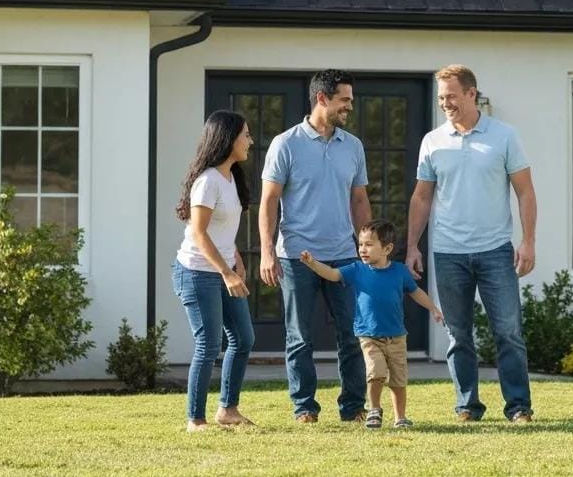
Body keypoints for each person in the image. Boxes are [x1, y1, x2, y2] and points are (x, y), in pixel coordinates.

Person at [406, 64, 538, 423]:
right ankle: (467, 406)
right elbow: (421, 197)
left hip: (495, 251)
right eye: (441, 97)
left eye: (451, 96)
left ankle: (518, 407)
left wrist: (528, 241)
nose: (445, 103)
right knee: (458, 334)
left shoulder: (504, 136)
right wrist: (412, 246)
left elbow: (525, 192)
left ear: (471, 94)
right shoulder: (433, 141)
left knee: (508, 332)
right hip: (448, 252)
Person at [259, 69, 371, 423]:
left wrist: (368, 249)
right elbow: (268, 201)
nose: (349, 106)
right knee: (300, 336)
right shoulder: (286, 144)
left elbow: (359, 200)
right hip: (297, 256)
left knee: (352, 334)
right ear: (322, 98)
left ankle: (353, 407)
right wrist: (266, 251)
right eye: (344, 100)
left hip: (345, 255)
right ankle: (304, 407)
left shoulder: (353, 146)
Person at [301, 218, 444, 429]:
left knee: (398, 380)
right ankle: (374, 409)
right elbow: (332, 275)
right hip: (369, 335)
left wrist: (433, 308)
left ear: (387, 249)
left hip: (397, 336)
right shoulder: (357, 270)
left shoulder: (400, 271)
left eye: (369, 244)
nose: (362, 249)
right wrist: (313, 264)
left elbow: (416, 292)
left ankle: (400, 417)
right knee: (375, 373)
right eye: (360, 244)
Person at [171, 110, 255, 431]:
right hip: (197, 273)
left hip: (222, 268)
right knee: (208, 344)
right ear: (228, 138)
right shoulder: (207, 181)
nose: (250, 141)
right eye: (245, 135)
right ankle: (196, 419)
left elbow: (222, 231)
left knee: (243, 338)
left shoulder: (231, 178)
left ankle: (228, 410)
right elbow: (199, 233)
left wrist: (236, 260)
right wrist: (227, 273)